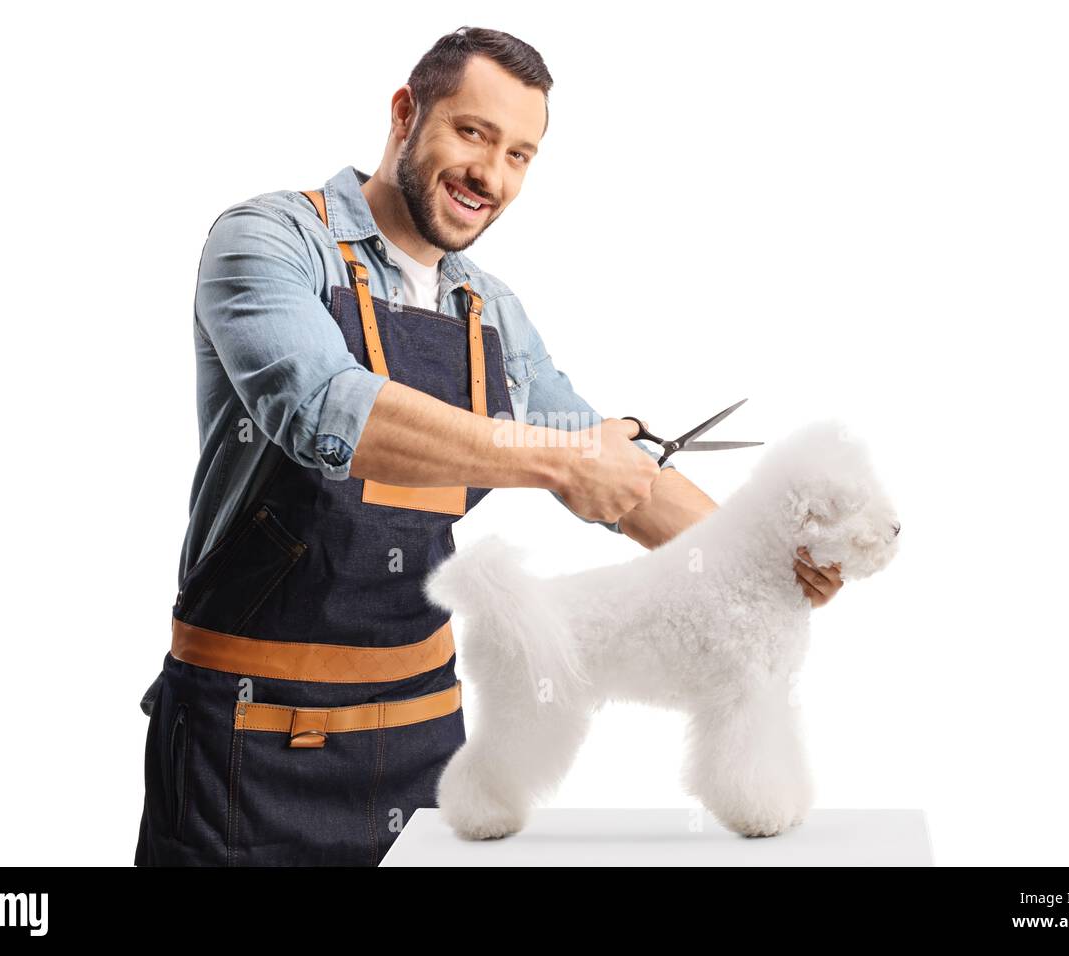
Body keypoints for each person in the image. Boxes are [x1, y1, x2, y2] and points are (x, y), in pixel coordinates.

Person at [134, 25, 843, 867]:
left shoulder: (489, 312)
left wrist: (764, 562)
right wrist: (561, 458)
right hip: (247, 738)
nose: (490, 175)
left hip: (424, 733)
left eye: (520, 155)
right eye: (472, 133)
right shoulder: (268, 243)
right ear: (406, 113)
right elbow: (326, 409)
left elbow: (618, 476)